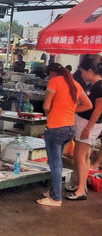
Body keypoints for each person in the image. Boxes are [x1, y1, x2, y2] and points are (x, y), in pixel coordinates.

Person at [37, 63, 91, 207]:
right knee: (58, 163)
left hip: (55, 128)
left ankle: (55, 198)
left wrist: (52, 114)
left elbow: (46, 106)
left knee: (55, 164)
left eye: (49, 74)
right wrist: (71, 110)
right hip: (69, 129)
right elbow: (88, 105)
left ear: (53, 73)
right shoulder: (75, 84)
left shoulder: (54, 81)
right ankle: (53, 191)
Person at [66, 59, 102, 200]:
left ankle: (81, 190)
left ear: (90, 71)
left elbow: (98, 109)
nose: (81, 76)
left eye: (82, 72)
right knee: (84, 156)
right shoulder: (93, 85)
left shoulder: (99, 86)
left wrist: (88, 128)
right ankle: (82, 185)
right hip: (84, 123)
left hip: (89, 125)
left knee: (79, 156)